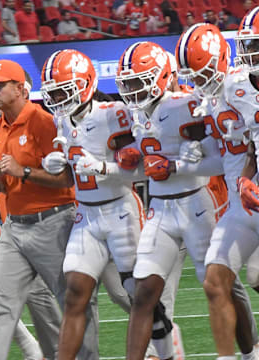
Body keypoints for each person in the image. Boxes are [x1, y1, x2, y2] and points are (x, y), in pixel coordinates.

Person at [0, 59, 98, 360]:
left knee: (73, 301)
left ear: (21, 88)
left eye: (0, 85)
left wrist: (23, 171)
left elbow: (67, 177)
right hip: (13, 225)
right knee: (3, 306)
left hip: (53, 220)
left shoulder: (44, 121)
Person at [40, 48, 146, 360]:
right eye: (53, 93)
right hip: (86, 215)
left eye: (63, 91)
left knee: (136, 293)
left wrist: (104, 168)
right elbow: (74, 172)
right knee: (74, 294)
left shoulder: (114, 113)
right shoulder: (63, 121)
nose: (58, 99)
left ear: (85, 84)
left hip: (120, 209)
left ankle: (163, 343)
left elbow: (143, 167)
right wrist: (58, 165)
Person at [116, 41, 218, 360]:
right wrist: (131, 159)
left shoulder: (193, 103)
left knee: (227, 287)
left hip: (206, 204)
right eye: (129, 83)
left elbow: (221, 156)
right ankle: (158, 354)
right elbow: (145, 164)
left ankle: (248, 349)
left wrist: (177, 164)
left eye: (139, 81)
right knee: (152, 296)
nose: (133, 90)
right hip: (161, 210)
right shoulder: (139, 111)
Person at [175, 22, 259, 360]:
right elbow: (248, 149)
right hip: (244, 203)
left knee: (255, 275)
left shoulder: (243, 87)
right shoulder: (217, 95)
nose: (197, 82)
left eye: (202, 72)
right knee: (213, 280)